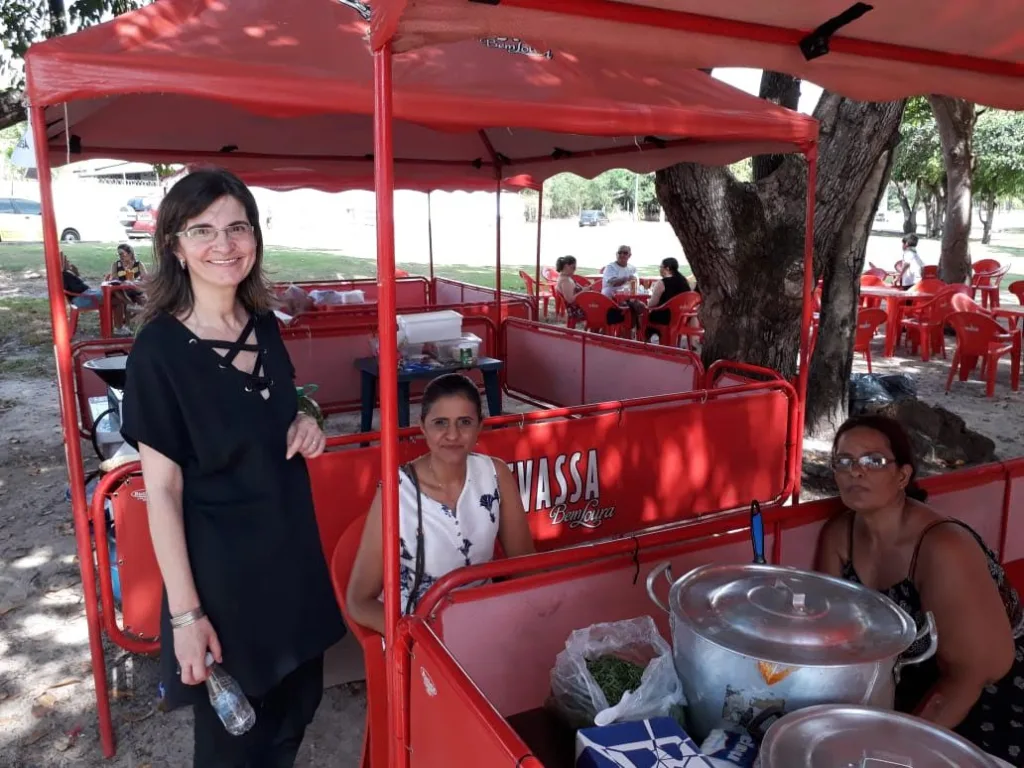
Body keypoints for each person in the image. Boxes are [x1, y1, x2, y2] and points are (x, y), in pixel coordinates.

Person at [120, 168, 344, 767]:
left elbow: (286, 401)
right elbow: (162, 493)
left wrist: (307, 418)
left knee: (297, 712)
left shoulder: (263, 325)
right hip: (223, 588)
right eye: (203, 230)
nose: (224, 243)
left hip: (292, 565)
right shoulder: (158, 353)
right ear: (174, 245)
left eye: (237, 227)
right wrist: (187, 616)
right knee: (234, 745)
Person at [815, 414, 1024, 765]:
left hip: (991, 700)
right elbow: (829, 631)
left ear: (903, 476)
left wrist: (892, 753)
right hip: (909, 683)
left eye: (874, 461)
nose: (856, 471)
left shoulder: (941, 547)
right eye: (844, 461)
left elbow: (970, 677)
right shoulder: (841, 535)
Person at [346, 374, 536, 632]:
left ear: (480, 426)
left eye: (465, 422)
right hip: (418, 630)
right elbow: (359, 601)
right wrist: (415, 635)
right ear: (422, 427)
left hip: (485, 619)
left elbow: (525, 567)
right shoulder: (396, 490)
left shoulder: (496, 474)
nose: (453, 434)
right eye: (440, 423)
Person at [645, 257, 691, 339]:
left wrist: (647, 302)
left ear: (667, 268)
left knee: (644, 315)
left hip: (666, 317)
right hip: (683, 317)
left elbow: (651, 304)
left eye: (661, 267)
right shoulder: (684, 281)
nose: (660, 269)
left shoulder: (662, 283)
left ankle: (644, 341)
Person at [554, 255, 586, 326]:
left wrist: (584, 290)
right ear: (566, 266)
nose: (575, 270)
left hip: (579, 306)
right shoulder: (565, 281)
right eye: (573, 267)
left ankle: (596, 332)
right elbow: (570, 300)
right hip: (577, 310)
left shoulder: (565, 278)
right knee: (601, 312)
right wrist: (583, 291)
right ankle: (597, 334)